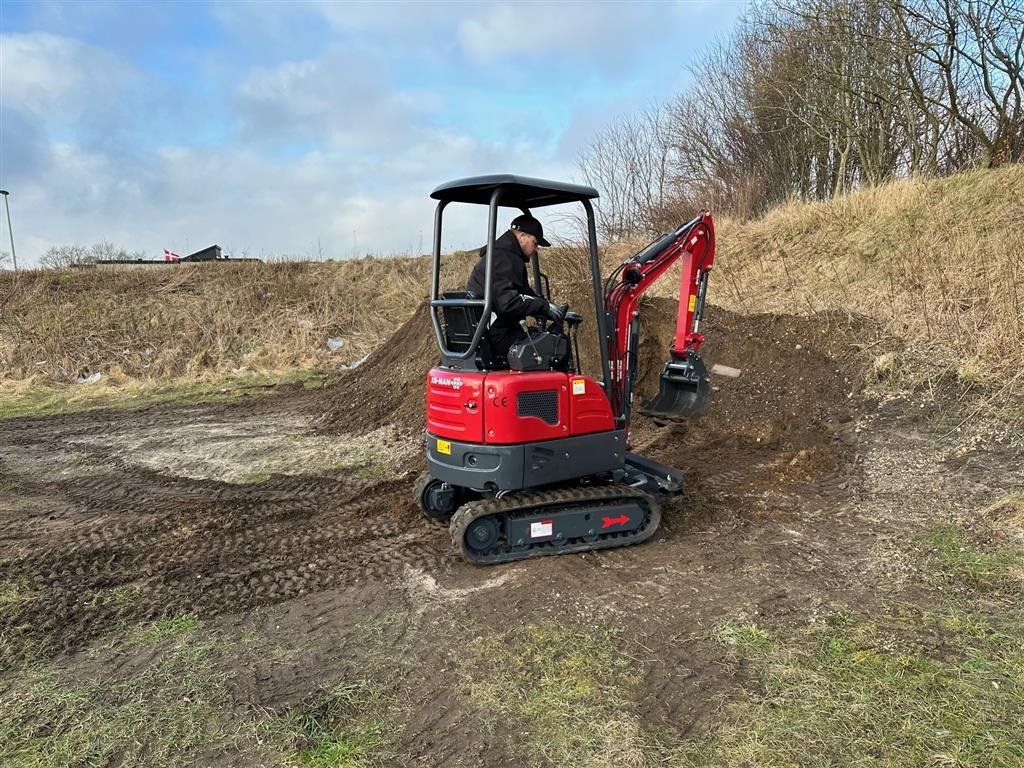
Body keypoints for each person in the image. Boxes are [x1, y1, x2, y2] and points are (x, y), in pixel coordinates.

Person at [465, 214, 565, 363]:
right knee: (557, 344)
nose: (536, 249)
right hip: (496, 338)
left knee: (547, 339)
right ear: (522, 236)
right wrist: (544, 306)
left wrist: (550, 310)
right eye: (535, 243)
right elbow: (508, 303)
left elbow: (525, 294)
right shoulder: (505, 259)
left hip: (489, 333)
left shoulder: (500, 256)